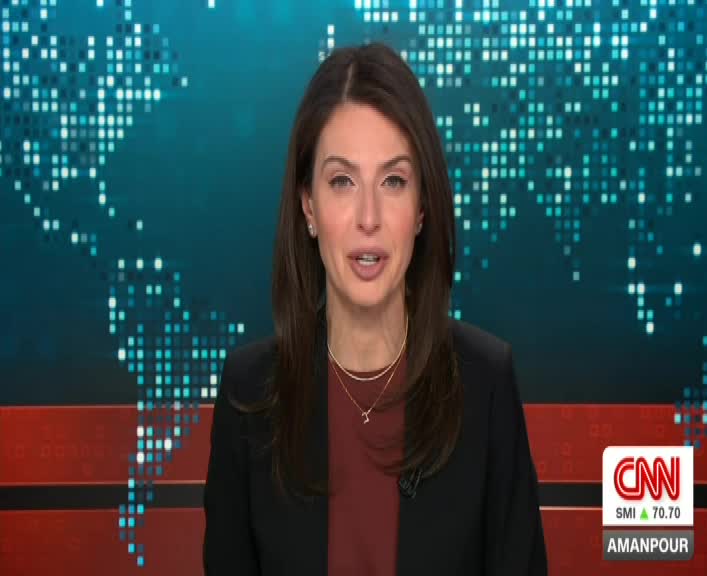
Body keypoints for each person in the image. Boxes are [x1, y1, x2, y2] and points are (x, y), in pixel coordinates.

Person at [203, 41, 547, 575]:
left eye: (393, 181)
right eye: (342, 181)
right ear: (308, 206)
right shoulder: (249, 394)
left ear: (422, 207)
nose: (369, 217)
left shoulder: (486, 384)